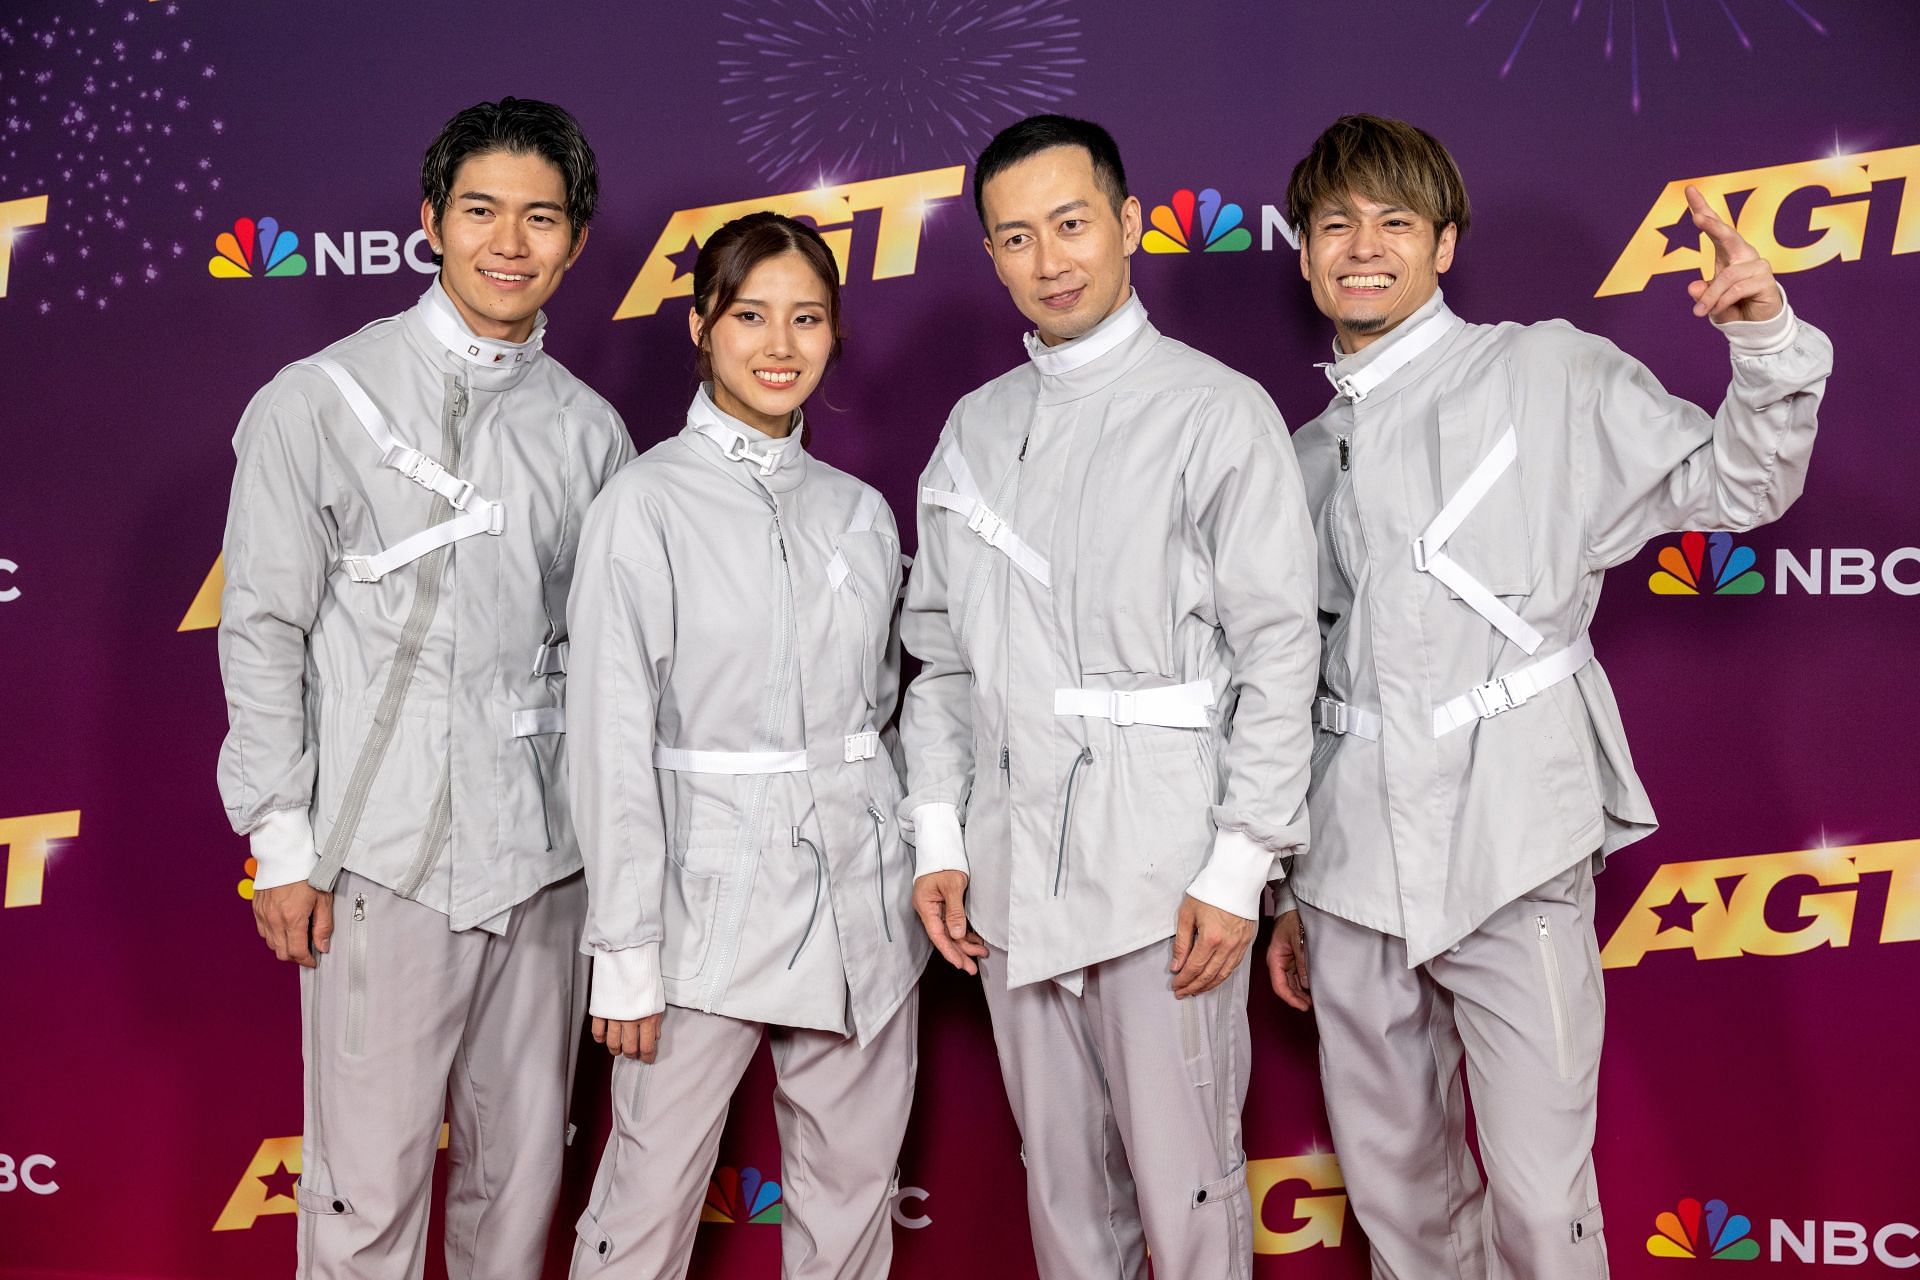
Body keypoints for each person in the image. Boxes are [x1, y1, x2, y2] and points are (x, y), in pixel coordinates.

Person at [1266, 113, 1832, 1278]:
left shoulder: (1546, 372)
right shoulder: (1303, 449)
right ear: (1308, 250)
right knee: (1399, 1202)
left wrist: (1766, 338)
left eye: (1393, 222)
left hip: (1514, 832)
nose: (1362, 246)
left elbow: (1738, 484)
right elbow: (1295, 678)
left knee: (1539, 1204)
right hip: (1350, 866)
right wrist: (1283, 883)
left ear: (1445, 243)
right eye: (1336, 224)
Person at [216, 98, 633, 1276]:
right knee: (364, 1192)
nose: (510, 242)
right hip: (380, 860)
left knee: (517, 1189)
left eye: (540, 217)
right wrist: (283, 840)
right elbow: (261, 629)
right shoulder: (319, 400)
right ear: (431, 222)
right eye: (482, 210)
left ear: (578, 238)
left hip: (546, 869)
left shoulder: (592, 433)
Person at [900, 114, 1319, 1279]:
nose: (1052, 259)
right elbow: (939, 659)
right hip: (1012, 869)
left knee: (1190, 1198)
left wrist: (1241, 864)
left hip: (1166, 868)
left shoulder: (1214, 410)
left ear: (1129, 222)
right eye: (1018, 237)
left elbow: (1282, 652)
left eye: (1073, 223)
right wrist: (938, 833)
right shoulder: (975, 429)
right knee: (1068, 1202)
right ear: (990, 252)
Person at [566, 211, 926, 1279]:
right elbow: (609, 734)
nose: (781, 344)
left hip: (861, 895)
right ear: (701, 325)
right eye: (751, 315)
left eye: (807, 318)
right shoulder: (642, 506)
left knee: (852, 1198)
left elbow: (889, 708)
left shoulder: (859, 513)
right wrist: (624, 949)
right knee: (643, 1201)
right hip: (699, 905)